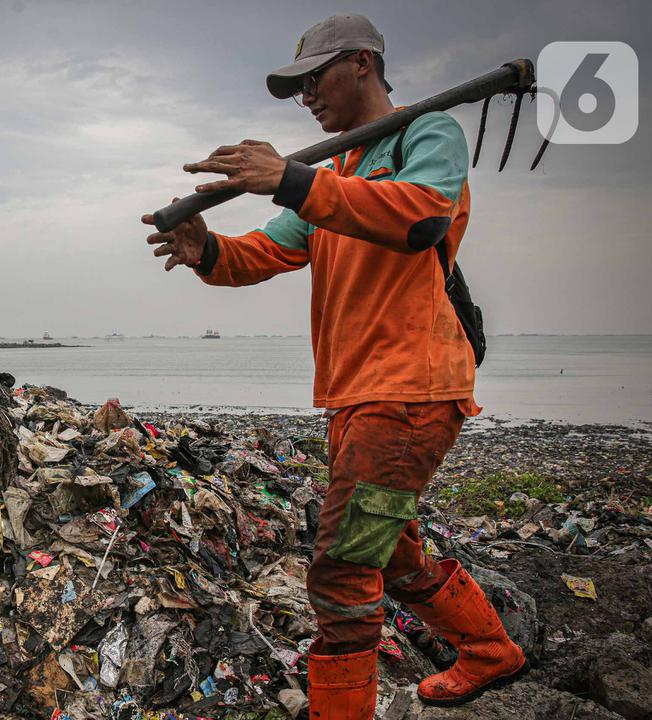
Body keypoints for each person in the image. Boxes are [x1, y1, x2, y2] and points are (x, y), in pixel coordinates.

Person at [142, 13, 525, 717]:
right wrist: (207, 249)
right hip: (357, 397)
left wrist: (289, 177)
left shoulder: (425, 134)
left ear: (361, 64)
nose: (306, 98)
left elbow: (422, 218)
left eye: (313, 80)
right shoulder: (338, 170)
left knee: (345, 566)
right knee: (394, 552)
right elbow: (264, 250)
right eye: (297, 90)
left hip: (410, 392)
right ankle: (491, 653)